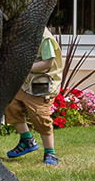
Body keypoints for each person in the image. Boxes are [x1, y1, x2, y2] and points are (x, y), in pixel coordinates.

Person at [4, 26, 64, 168]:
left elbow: (48, 62)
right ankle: (27, 141)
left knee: (40, 116)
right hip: (25, 83)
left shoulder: (45, 39)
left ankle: (50, 152)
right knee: (11, 105)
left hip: (40, 85)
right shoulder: (25, 34)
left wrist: (25, 67)